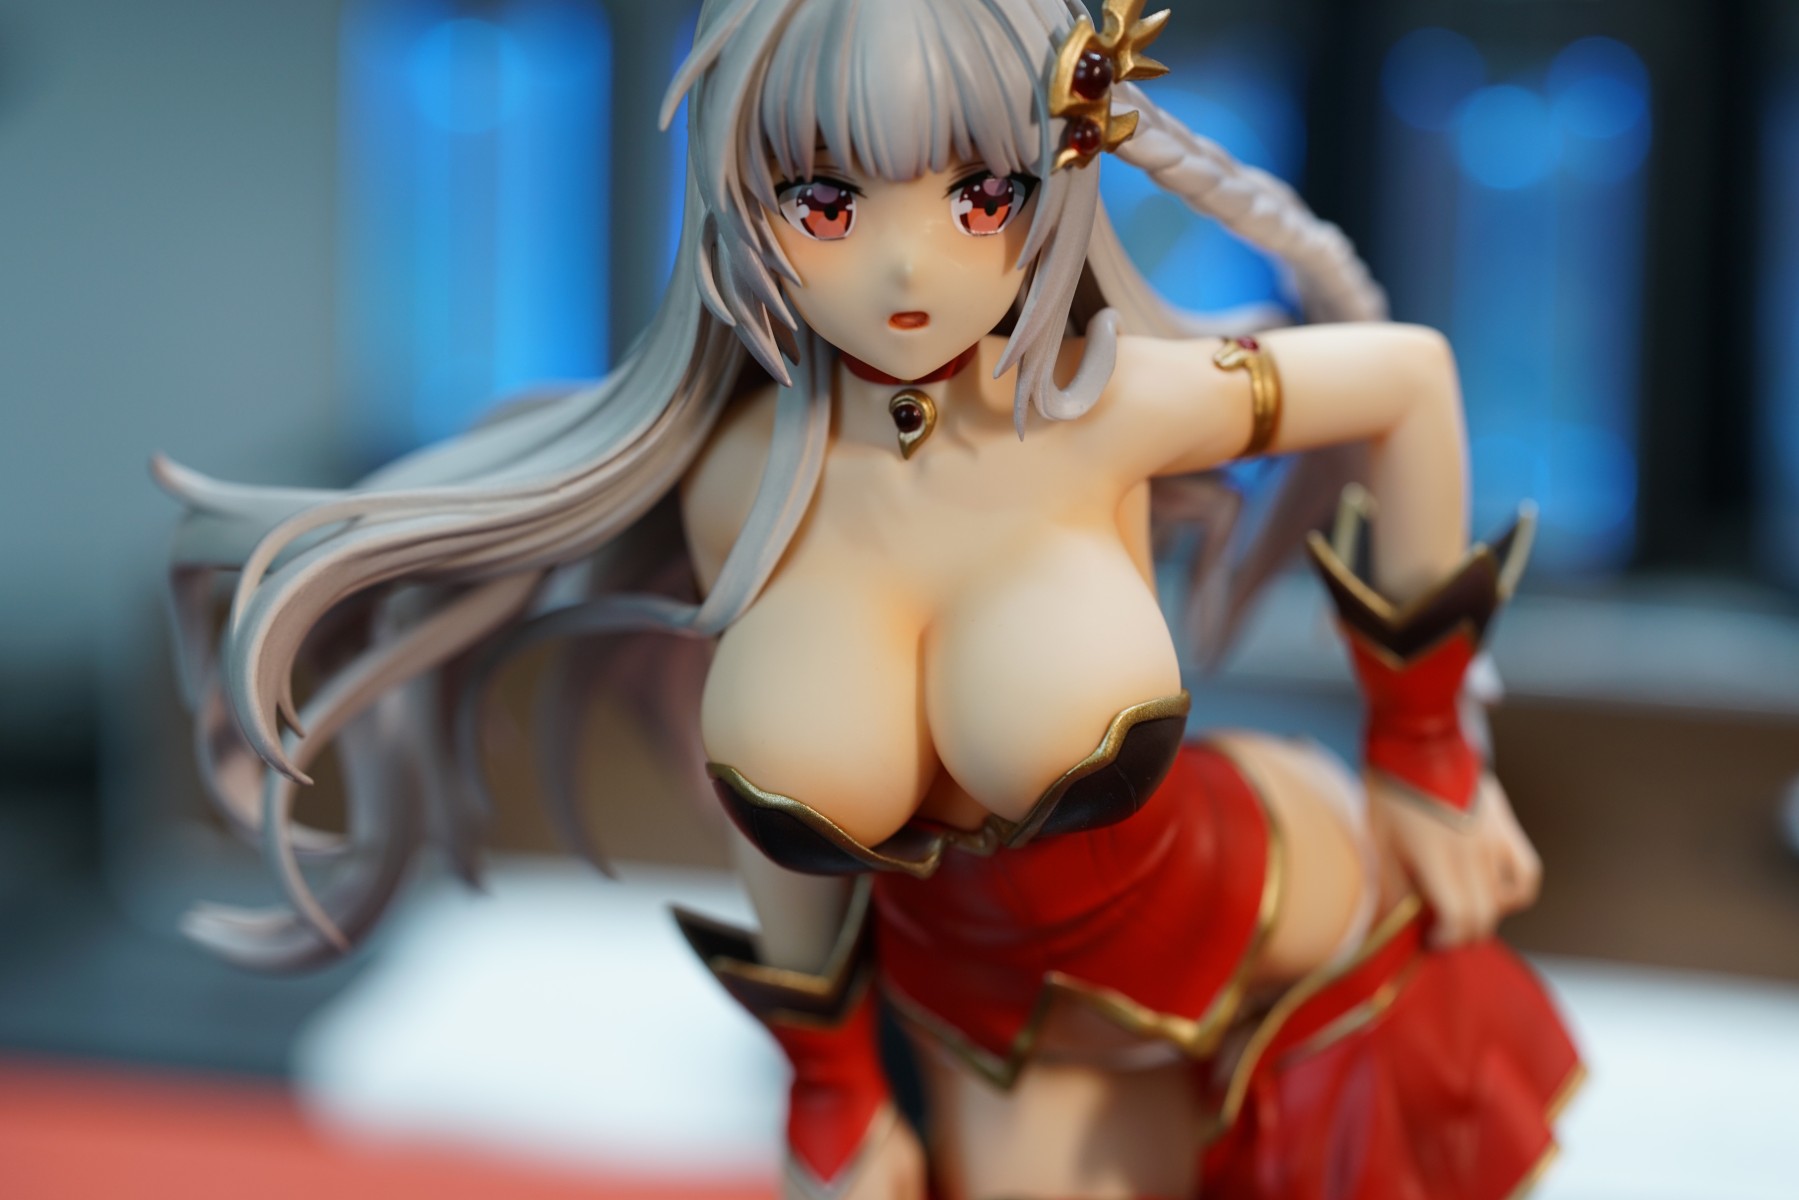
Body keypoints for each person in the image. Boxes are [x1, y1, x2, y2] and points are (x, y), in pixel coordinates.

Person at [154, 0, 1580, 1196]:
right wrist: (826, 1075)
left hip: (1279, 921)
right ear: (745, 195)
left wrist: (1425, 752)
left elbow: (1409, 381)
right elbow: (781, 842)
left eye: (980, 196)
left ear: (1057, 169)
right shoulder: (739, 481)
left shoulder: (1103, 408)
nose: (909, 267)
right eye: (829, 202)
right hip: (989, 1035)